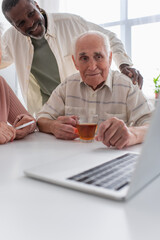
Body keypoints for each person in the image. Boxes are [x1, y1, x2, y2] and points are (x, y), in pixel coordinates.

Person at [1, 0, 143, 116]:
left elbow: (110, 38)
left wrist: (124, 65)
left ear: (37, 6)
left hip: (81, 110)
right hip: (46, 116)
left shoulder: (71, 23)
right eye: (21, 23)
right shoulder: (11, 38)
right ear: (14, 26)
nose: (30, 23)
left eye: (31, 14)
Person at [37, 31, 154, 149]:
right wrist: (52, 126)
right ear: (75, 62)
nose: (92, 67)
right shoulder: (67, 86)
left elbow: (154, 125)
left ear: (109, 58)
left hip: (112, 159)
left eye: (98, 57)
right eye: (84, 58)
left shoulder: (127, 86)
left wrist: (132, 134)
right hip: (73, 158)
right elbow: (42, 119)